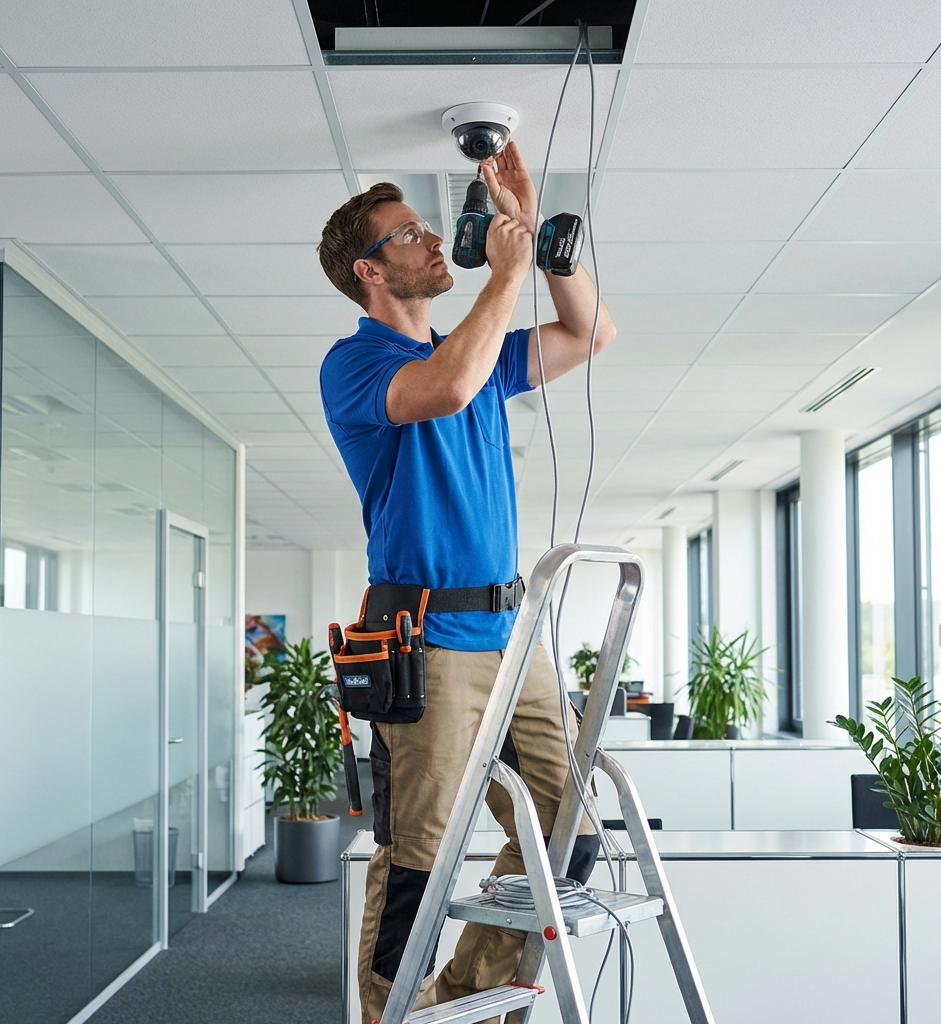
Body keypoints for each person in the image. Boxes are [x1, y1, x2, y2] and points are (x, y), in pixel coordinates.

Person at [317, 140, 617, 1024]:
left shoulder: (477, 356)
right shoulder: (359, 364)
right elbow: (443, 389)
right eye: (410, 233)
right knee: (419, 857)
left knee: (570, 835)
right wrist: (503, 275)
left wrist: (542, 248)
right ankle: (387, 1014)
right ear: (372, 270)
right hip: (426, 641)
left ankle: (470, 1004)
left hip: (510, 639)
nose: (431, 240)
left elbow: (589, 334)